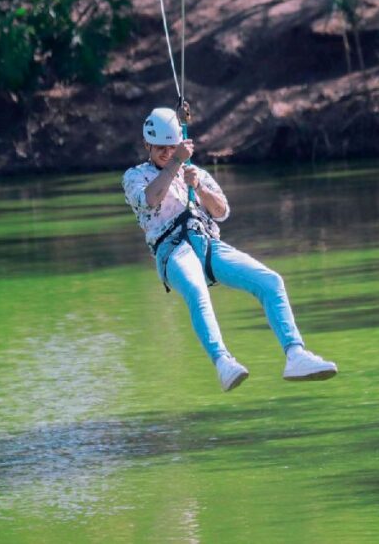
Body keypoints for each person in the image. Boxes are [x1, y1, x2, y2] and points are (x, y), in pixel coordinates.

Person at [122, 107, 338, 392]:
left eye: (171, 147)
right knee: (196, 291)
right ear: (147, 145)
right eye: (160, 148)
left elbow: (222, 211)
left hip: (207, 244)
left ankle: (295, 354)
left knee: (270, 281)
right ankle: (223, 362)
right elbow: (150, 200)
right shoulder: (135, 176)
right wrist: (176, 162)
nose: (166, 152)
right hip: (172, 251)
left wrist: (198, 186)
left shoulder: (193, 171)